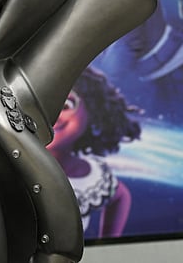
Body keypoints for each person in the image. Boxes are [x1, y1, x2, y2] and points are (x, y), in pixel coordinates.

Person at [48, 68, 141, 238]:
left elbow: (120, 196)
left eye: (66, 105)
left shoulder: (93, 176)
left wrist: (108, 243)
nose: (51, 115)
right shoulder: (12, 167)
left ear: (93, 111)